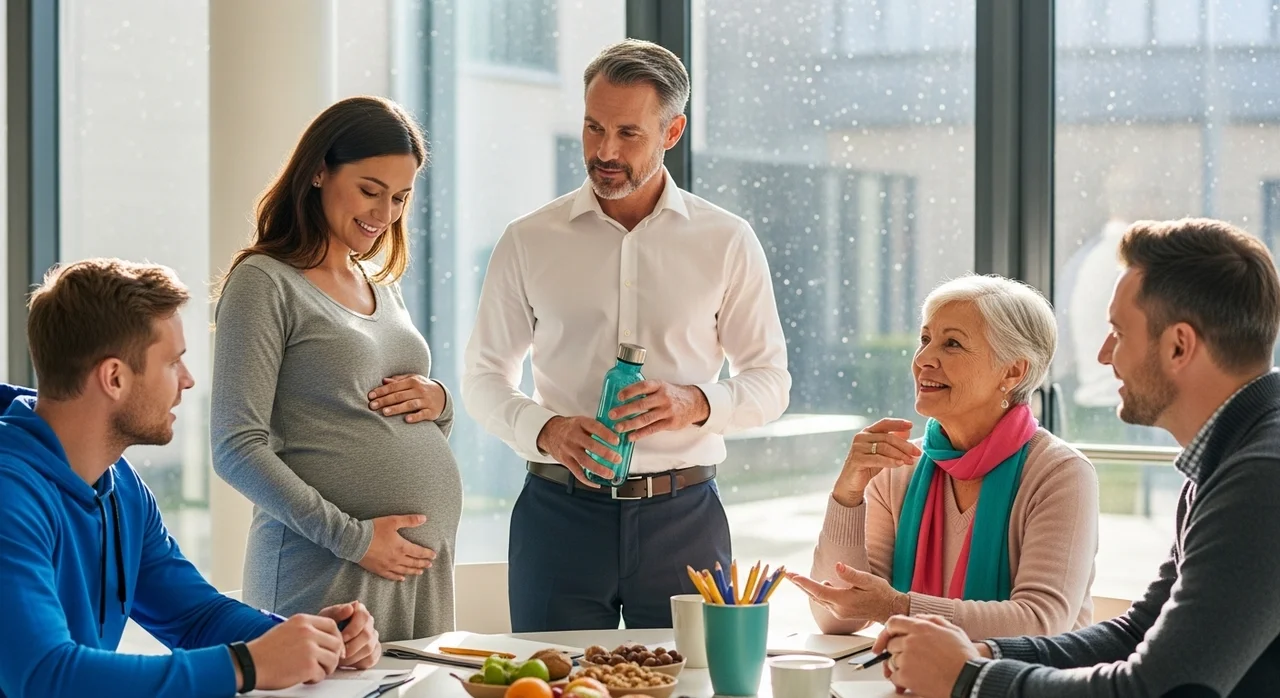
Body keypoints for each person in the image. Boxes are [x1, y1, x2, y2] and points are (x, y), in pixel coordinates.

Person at [873, 218, 1280, 698]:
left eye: (1118, 333)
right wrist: (985, 654)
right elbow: (1137, 633)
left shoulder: (1261, 478)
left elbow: (1156, 690)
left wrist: (968, 678)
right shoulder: (1227, 461)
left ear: (1178, 346)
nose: (1104, 356)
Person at [462, 39, 791, 632]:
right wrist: (546, 429)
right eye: (593, 127)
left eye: (628, 133)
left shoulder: (727, 241)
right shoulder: (528, 240)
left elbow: (771, 383)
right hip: (557, 518)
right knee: (549, 677)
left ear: (672, 132)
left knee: (691, 677)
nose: (604, 151)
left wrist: (695, 403)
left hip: (685, 521)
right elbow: (483, 378)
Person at [0, 259, 380, 698]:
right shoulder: (10, 496)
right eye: (173, 363)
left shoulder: (119, 485)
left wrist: (309, 639)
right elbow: (43, 677)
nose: (188, 380)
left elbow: (194, 616)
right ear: (114, 377)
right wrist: (245, 665)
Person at [212, 96, 461, 641]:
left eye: (400, 198)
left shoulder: (381, 285)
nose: (385, 213)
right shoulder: (265, 282)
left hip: (416, 573)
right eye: (370, 190)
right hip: (327, 568)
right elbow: (235, 447)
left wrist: (440, 403)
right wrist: (355, 539)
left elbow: (377, 419)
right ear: (319, 171)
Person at [787, 275, 1098, 640]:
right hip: (915, 671)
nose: (922, 360)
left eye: (952, 344)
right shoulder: (898, 467)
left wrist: (898, 607)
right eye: (925, 339)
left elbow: (1040, 623)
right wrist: (848, 496)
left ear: (1013, 371)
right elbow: (837, 619)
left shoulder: (1061, 474)